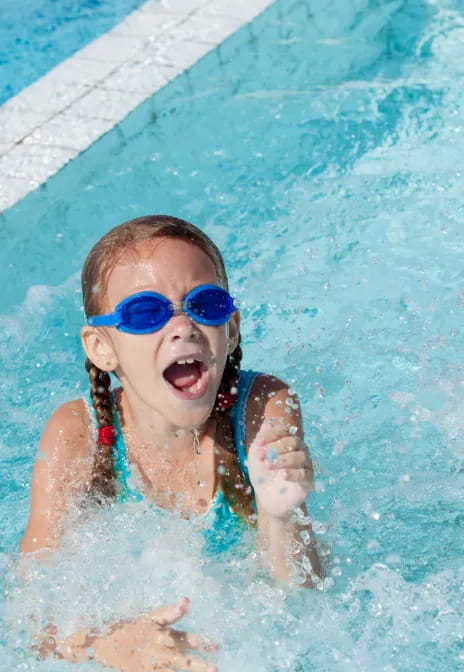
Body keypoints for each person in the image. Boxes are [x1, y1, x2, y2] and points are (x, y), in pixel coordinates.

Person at [18, 215, 322, 670]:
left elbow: (303, 601)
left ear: (232, 329)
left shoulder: (260, 408)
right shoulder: (76, 435)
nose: (184, 327)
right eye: (146, 312)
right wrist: (106, 645)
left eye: (206, 304)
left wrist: (280, 517)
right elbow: (28, 616)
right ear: (102, 347)